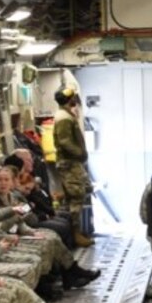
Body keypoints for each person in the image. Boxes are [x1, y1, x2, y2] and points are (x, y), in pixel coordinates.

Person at [52, 88, 94, 245]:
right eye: (73, 97)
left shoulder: (66, 115)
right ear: (69, 99)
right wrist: (80, 154)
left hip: (72, 163)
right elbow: (65, 141)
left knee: (81, 191)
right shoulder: (63, 117)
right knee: (76, 196)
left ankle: (74, 231)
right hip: (69, 163)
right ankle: (74, 233)